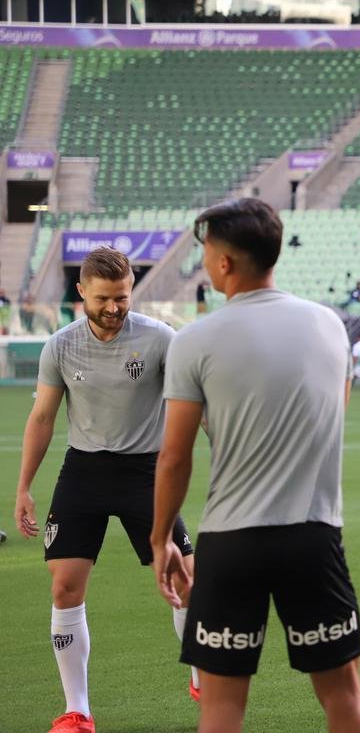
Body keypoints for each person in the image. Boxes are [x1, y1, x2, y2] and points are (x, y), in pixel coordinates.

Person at [150, 197, 360, 733]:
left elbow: (175, 456)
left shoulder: (194, 340)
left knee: (222, 708)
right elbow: (333, 414)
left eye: (207, 251)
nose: (205, 262)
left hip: (232, 543)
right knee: (345, 700)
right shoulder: (330, 325)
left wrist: (161, 539)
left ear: (225, 262)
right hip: (313, 536)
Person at [12, 246, 197, 733]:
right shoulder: (60, 346)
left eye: (122, 297)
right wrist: (24, 487)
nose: (114, 307)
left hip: (145, 472)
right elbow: (43, 418)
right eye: (103, 299)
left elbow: (193, 404)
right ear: (81, 293)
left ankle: (203, 677)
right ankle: (78, 711)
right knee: (64, 587)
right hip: (85, 472)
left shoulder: (161, 340)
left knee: (186, 580)